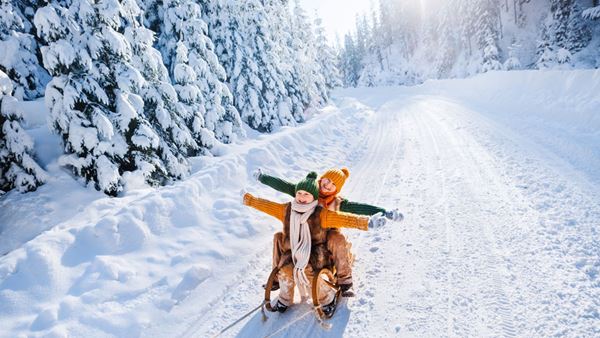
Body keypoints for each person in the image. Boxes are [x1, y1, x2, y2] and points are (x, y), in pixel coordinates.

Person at [243, 172, 385, 316]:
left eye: (333, 184)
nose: (302, 197)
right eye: (299, 193)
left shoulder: (324, 211)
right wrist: (249, 198)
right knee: (284, 262)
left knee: (315, 260)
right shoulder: (288, 208)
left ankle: (331, 294)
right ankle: (284, 296)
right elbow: (268, 203)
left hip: (319, 247)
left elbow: (347, 218)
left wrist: (370, 221)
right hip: (296, 246)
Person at [254, 167, 403, 297]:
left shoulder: (337, 203)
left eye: (333, 185)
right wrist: (263, 178)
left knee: (337, 238)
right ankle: (276, 279)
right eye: (327, 180)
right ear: (322, 178)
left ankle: (345, 280)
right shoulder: (306, 190)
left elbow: (360, 208)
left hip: (325, 238)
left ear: (336, 190)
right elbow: (282, 185)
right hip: (303, 234)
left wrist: (384, 212)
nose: (327, 186)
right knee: (279, 237)